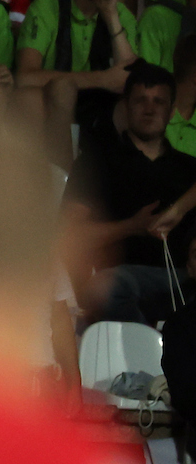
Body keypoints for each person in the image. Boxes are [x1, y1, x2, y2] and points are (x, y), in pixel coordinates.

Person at [66, 62, 196, 323]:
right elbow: (71, 237)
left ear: (172, 111)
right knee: (111, 286)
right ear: (125, 106)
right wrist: (131, 226)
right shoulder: (97, 161)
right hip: (115, 280)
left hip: (182, 281)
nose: (149, 109)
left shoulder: (189, 169)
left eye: (158, 102)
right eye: (140, 101)